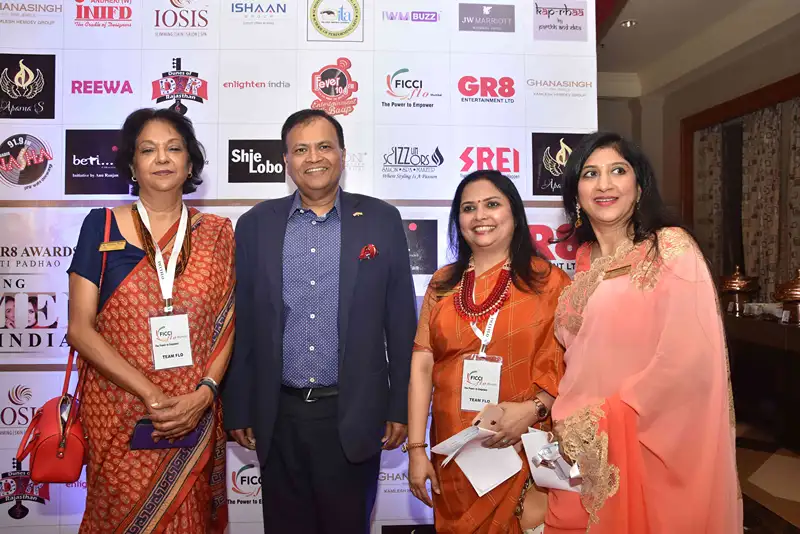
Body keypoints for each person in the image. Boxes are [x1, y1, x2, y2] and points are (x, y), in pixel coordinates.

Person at [223, 109, 417, 534]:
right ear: (286, 161)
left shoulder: (381, 220)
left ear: (343, 154)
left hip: (354, 414)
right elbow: (243, 323)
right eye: (301, 149)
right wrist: (237, 406)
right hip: (278, 416)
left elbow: (402, 323)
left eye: (324, 146)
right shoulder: (255, 225)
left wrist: (400, 407)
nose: (314, 157)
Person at [546, 132, 742, 533]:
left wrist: (598, 420)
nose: (604, 184)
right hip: (575, 453)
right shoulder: (582, 261)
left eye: (618, 171)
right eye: (590, 173)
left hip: (638, 447)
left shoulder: (670, 249)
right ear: (576, 194)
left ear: (639, 187)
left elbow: (688, 360)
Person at [67, 108, 234, 534]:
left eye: (173, 148)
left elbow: (228, 325)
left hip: (193, 414)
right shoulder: (101, 226)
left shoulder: (217, 233)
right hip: (119, 416)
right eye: (148, 150)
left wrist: (204, 394)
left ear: (190, 164)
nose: (162, 158)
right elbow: (80, 329)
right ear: (132, 165)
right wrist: (152, 395)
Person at [407, 170, 571, 534]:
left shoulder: (549, 282)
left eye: (492, 204)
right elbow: (422, 365)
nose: (480, 216)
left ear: (514, 213)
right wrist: (416, 449)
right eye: (469, 208)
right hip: (454, 452)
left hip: (523, 446)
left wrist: (534, 409)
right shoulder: (442, 284)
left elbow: (574, 366)